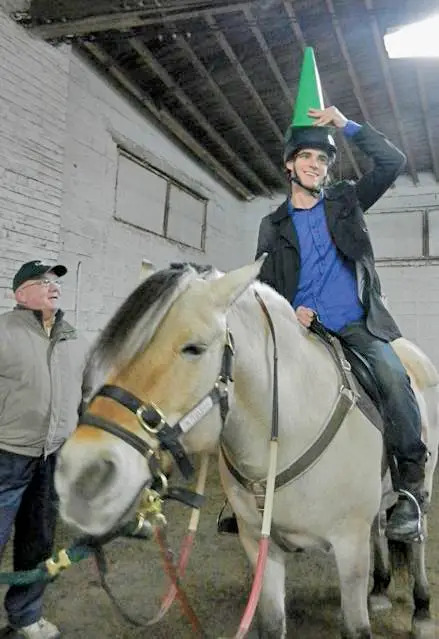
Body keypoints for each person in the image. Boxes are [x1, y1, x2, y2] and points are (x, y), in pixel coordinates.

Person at [254, 50, 426, 544]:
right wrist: (289, 313)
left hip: (355, 325)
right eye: (306, 157)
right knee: (256, 387)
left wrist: (347, 126)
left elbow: (391, 161)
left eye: (322, 159)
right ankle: (254, 493)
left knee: (395, 382)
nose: (315, 165)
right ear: (290, 165)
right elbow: (265, 286)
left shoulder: (347, 199)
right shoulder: (274, 223)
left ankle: (411, 493)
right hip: (302, 327)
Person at [0, 260, 89, 638]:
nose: (52, 286)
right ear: (21, 294)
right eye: (42, 281)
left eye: (55, 281)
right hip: (7, 455)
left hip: (53, 457)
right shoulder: (4, 331)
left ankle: (25, 616)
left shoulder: (75, 338)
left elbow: (86, 397)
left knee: (38, 542)